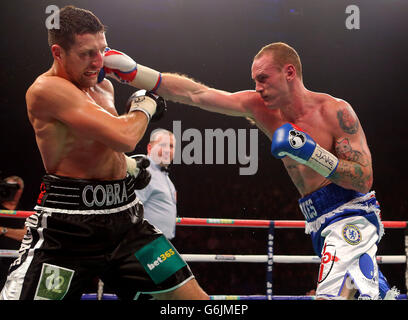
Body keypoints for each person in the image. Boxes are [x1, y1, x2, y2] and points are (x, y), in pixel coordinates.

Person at [99, 42, 397, 299]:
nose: (258, 87)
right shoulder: (260, 107)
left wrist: (311, 153)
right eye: (255, 80)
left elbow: (364, 178)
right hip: (318, 221)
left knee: (331, 295)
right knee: (368, 291)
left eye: (264, 79)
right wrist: (138, 73)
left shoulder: (335, 111)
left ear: (289, 72)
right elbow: (197, 94)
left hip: (351, 214)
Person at [0, 6, 208, 300]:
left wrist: (129, 167)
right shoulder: (46, 89)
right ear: (58, 53)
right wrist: (145, 104)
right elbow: (124, 136)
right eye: (87, 53)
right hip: (67, 229)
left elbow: (99, 145)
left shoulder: (105, 88)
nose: (99, 61)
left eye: (102, 49)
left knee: (193, 303)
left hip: (127, 222)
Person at [135, 129, 177, 240]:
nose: (167, 150)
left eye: (171, 146)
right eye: (163, 145)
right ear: (150, 148)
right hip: (146, 242)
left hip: (160, 243)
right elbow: (132, 212)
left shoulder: (164, 176)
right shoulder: (143, 172)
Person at [0, 176, 26, 290]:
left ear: (20, 190)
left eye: (15, 187)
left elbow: (26, 235)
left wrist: (3, 230)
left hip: (17, 261)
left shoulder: (26, 209)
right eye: (7, 186)